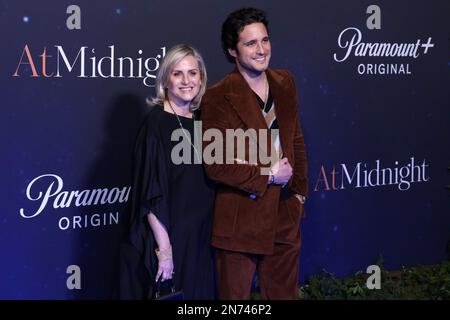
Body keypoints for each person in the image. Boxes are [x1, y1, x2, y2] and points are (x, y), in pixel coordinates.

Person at [200, 8, 308, 300]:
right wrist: (270, 176)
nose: (261, 50)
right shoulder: (217, 96)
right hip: (239, 222)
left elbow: (296, 139)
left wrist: (298, 194)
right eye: (250, 43)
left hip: (284, 216)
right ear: (232, 51)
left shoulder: (285, 82)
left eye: (265, 40)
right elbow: (216, 165)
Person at [120, 44, 216, 299]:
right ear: (165, 80)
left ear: (201, 77)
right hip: (172, 239)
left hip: (203, 240)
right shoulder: (155, 125)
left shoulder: (204, 120)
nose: (187, 81)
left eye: (193, 73)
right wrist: (165, 252)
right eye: (177, 74)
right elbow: (150, 196)